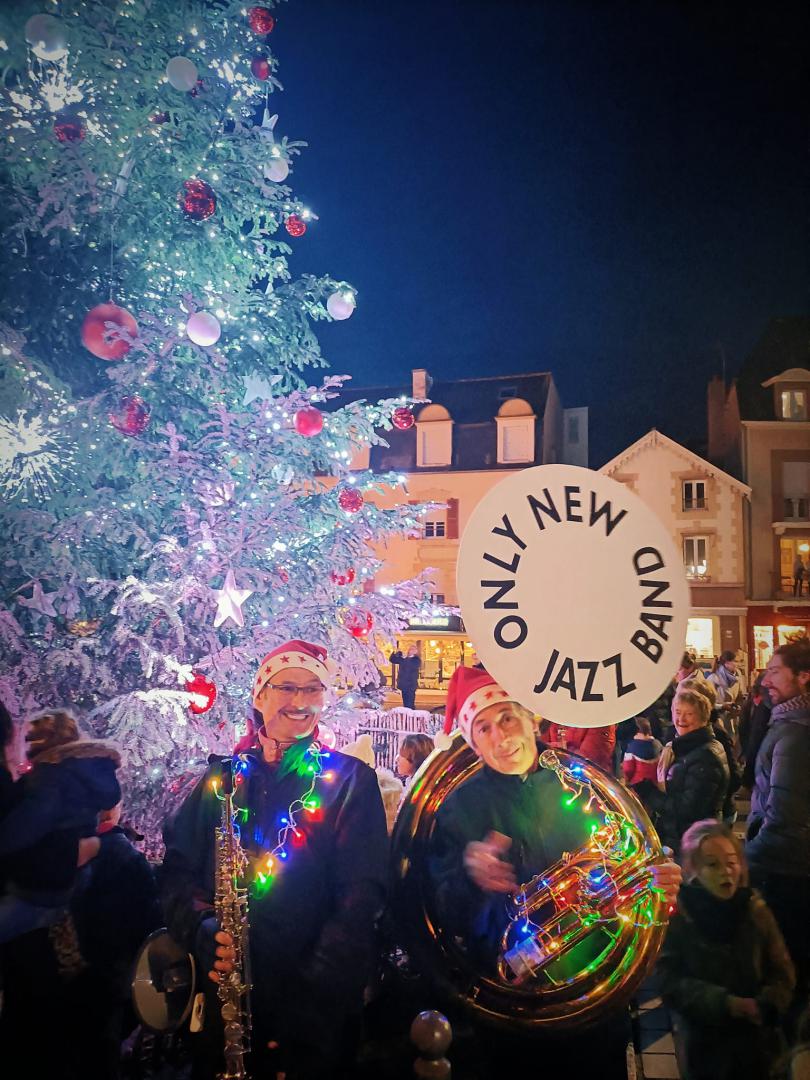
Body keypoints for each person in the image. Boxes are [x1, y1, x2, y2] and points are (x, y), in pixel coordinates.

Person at [426, 666, 681, 1077]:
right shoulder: (459, 808)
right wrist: (467, 874)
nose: (502, 736)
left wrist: (655, 884)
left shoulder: (581, 783)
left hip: (596, 999)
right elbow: (443, 913)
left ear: (531, 718)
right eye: (484, 729)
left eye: (508, 717)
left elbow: (629, 867)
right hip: (514, 1013)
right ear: (473, 744)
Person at [161, 639, 388, 1080]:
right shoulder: (221, 778)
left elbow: (363, 893)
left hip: (310, 1009)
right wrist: (205, 930)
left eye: (313, 689)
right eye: (286, 687)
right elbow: (177, 872)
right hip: (227, 997)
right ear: (259, 696)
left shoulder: (348, 780)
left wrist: (311, 989)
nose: (300, 702)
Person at [0, 798, 161, 1079]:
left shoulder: (37, 852)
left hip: (40, 997)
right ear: (113, 809)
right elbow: (147, 934)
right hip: (102, 994)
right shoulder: (127, 860)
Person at [659, 819, 795, 1080]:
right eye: (713, 864)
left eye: (731, 862)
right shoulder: (682, 917)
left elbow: (783, 972)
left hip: (758, 1050)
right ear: (694, 870)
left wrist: (767, 1003)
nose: (726, 871)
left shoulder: (755, 910)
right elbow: (669, 981)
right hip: (705, 1050)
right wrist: (724, 1003)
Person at [0, 710, 121, 943]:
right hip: (65, 881)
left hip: (38, 886)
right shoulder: (81, 774)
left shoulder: (50, 779)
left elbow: (26, 826)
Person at [746, 640, 810, 1017]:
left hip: (787, 876)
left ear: (803, 677)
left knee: (789, 977)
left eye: (774, 672)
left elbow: (785, 820)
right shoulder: (787, 724)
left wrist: (744, 860)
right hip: (785, 871)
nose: (765, 679)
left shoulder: (796, 736)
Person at [655, 688, 729, 854]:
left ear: (703, 718)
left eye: (689, 714)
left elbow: (688, 810)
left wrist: (651, 795)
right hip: (682, 838)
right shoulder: (680, 747)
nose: (681, 719)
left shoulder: (705, 755)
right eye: (678, 712)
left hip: (694, 843)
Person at [682, 678, 743, 826]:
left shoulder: (716, 734)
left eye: (686, 699)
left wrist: (710, 793)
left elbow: (734, 778)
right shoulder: (683, 733)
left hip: (715, 816)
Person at [621, 715, 663, 815]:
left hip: (637, 785)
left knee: (637, 812)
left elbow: (629, 769)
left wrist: (625, 780)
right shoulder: (658, 745)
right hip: (654, 786)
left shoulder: (632, 747)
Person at [546, 720, 616, 773]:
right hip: (556, 777)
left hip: (586, 784)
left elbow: (587, 762)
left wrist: (559, 748)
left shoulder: (600, 722)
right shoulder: (555, 717)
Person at [708, 651, 743, 741]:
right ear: (727, 663)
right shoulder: (713, 678)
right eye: (735, 661)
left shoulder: (737, 677)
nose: (738, 664)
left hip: (733, 718)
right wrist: (722, 706)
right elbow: (707, 702)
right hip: (718, 720)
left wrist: (738, 706)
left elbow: (739, 696)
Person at [389, 644, 421, 710]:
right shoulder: (404, 659)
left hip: (411, 685)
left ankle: (411, 715)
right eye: (410, 649)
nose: (410, 651)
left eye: (413, 649)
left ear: (415, 652)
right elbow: (392, 660)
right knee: (405, 702)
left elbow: (409, 664)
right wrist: (396, 653)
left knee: (410, 703)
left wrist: (404, 658)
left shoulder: (416, 660)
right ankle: (408, 715)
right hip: (403, 684)